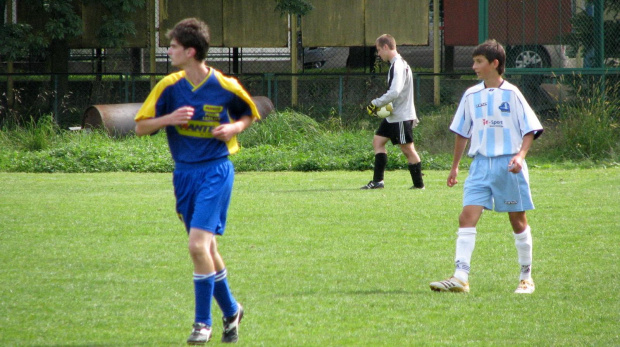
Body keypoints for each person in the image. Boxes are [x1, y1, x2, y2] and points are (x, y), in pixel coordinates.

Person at [134, 18, 260, 344]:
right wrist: (168, 119)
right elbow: (141, 126)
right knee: (209, 249)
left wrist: (234, 128)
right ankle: (232, 310)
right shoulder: (169, 87)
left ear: (190, 51)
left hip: (216, 171)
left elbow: (249, 112)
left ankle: (202, 323)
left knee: (196, 246)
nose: (169, 51)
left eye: (173, 46)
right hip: (184, 175)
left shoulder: (224, 85)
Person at [429, 39, 543, 294]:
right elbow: (462, 132)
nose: (474, 66)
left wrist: (521, 157)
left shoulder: (512, 94)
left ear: (495, 64)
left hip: (507, 165)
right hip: (479, 166)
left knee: (517, 220)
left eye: (479, 62)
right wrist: (455, 167)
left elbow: (530, 129)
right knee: (466, 216)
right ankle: (460, 277)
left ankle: (526, 277)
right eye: (474, 61)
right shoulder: (471, 95)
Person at [362, 34, 425, 190]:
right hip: (393, 116)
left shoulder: (398, 65)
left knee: (407, 149)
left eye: (378, 50)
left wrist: (376, 103)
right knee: (378, 141)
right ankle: (378, 182)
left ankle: (419, 185)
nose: (378, 54)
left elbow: (395, 91)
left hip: (402, 116)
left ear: (385, 47)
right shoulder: (397, 64)